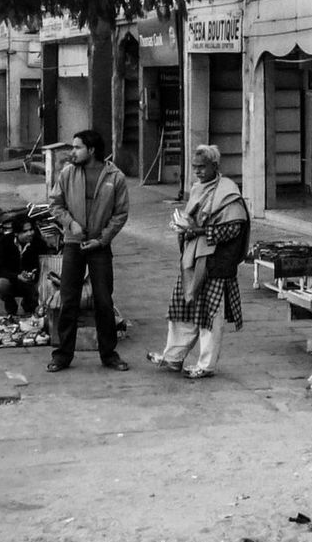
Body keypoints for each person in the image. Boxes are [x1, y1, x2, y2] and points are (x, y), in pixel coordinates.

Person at [147, 145, 250, 380]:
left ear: (215, 166)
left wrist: (199, 230)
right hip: (192, 259)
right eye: (194, 167)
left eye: (202, 167)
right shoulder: (197, 189)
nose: (197, 172)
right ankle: (173, 356)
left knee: (210, 316)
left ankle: (206, 365)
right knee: (183, 308)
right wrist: (183, 227)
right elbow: (192, 218)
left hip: (216, 261)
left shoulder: (228, 193)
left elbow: (234, 229)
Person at [45, 129, 130, 372]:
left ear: (91, 150)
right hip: (73, 243)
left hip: (99, 247)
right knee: (68, 300)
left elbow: (120, 214)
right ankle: (62, 355)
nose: (72, 152)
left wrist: (102, 240)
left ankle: (109, 354)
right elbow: (55, 204)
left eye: (77, 147)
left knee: (103, 301)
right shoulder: (68, 173)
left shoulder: (115, 177)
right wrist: (70, 223)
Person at [0, 217, 55, 318]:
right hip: (12, 280)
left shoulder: (39, 243)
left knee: (41, 289)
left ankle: (29, 304)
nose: (30, 233)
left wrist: (33, 274)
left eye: (31, 230)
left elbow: (43, 266)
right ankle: (11, 307)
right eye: (25, 231)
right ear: (16, 233)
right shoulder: (5, 241)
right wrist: (17, 276)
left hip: (31, 283)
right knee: (1, 284)